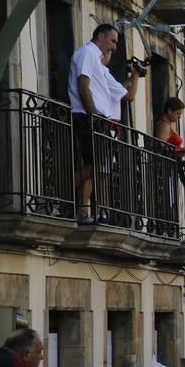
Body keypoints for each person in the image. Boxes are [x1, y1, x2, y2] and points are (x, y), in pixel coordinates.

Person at [69, 24, 140, 222]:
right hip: (88, 117)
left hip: (97, 119)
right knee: (98, 164)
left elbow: (114, 90)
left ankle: (85, 211)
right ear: (101, 36)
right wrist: (94, 114)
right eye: (113, 41)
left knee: (97, 164)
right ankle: (65, 189)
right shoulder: (87, 53)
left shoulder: (95, 59)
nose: (114, 47)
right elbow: (83, 86)